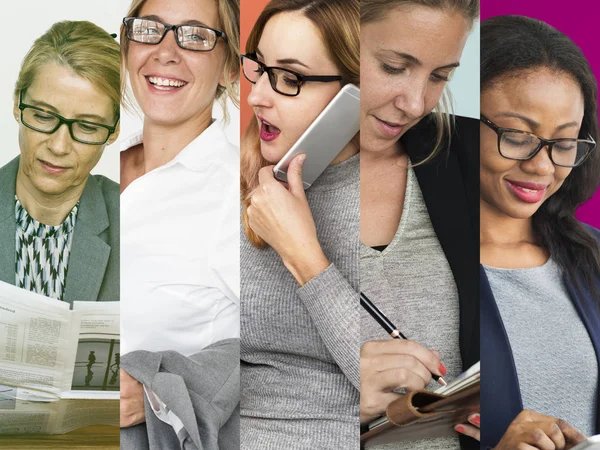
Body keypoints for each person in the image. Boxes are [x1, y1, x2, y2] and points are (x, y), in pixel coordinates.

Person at [118, 0, 241, 448]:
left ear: (230, 66)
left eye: (194, 36)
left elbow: (285, 356)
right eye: (150, 29)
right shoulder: (87, 168)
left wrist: (155, 392)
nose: (165, 51)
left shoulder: (240, 196)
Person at [358, 1, 480, 449]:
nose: (415, 104)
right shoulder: (250, 177)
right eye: (393, 67)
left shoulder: (473, 154)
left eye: (440, 76)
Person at [239, 0, 360, 447]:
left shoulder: (395, 196)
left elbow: (405, 390)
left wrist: (303, 255)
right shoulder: (239, 189)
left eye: (290, 78)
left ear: (355, 92)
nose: (255, 97)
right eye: (259, 68)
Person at [480, 15, 600, 450]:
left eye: (564, 144)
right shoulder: (419, 263)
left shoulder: (594, 257)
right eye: (517, 135)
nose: (543, 167)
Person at [0, 21, 120, 303]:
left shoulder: (137, 221)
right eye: (43, 116)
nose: (58, 146)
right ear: (17, 106)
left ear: (113, 131)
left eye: (87, 127)